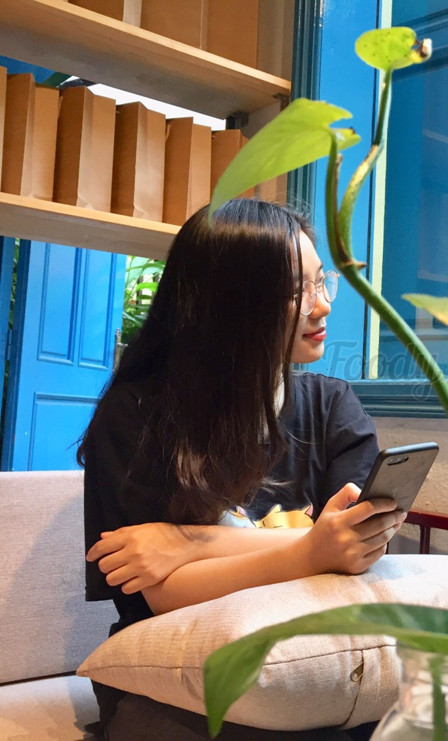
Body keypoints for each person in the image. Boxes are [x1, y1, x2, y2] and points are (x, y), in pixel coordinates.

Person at [79, 199, 404, 740]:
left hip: (313, 655)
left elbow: (356, 550)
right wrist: (311, 549)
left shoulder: (333, 408)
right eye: (296, 292)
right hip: (174, 672)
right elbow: (165, 594)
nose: (322, 305)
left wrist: (189, 543)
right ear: (228, 304)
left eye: (321, 282)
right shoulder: (137, 414)